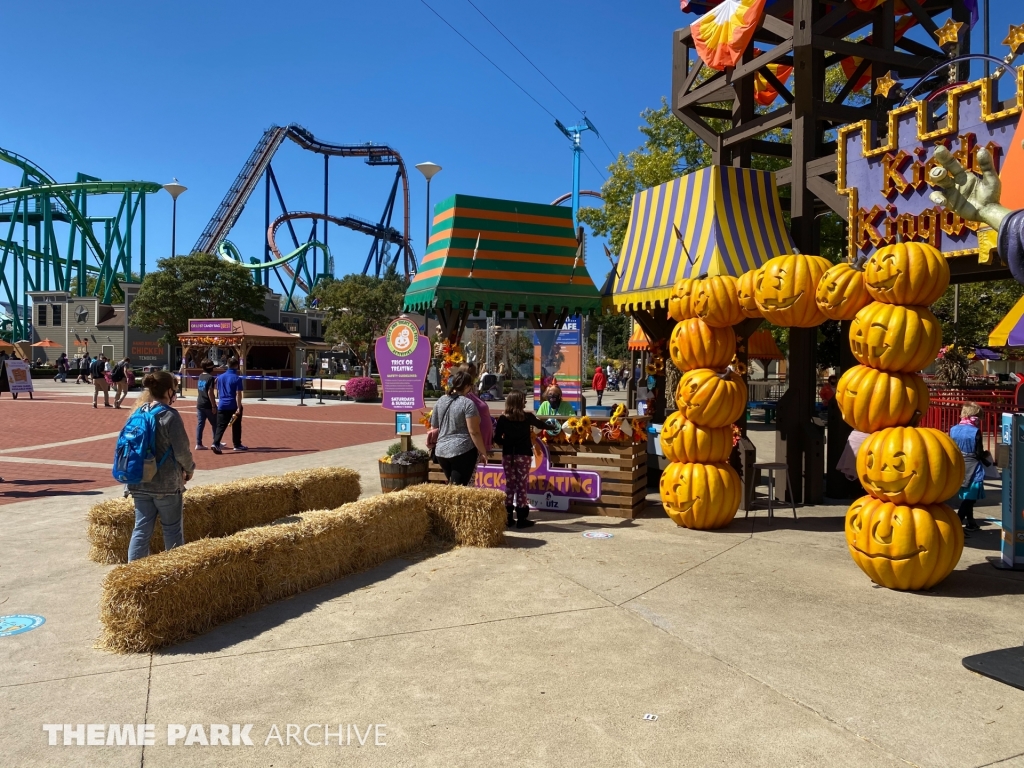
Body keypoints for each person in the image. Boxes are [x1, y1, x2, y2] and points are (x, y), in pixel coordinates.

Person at [125, 370, 195, 562]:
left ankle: (133, 573)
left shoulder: (137, 412)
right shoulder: (169, 416)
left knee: (141, 528)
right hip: (165, 483)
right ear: (168, 391)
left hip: (138, 480)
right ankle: (174, 571)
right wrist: (189, 469)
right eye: (175, 389)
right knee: (172, 530)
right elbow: (182, 451)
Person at [493, 390, 551, 529]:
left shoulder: (503, 419)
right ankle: (521, 517)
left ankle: (507, 517)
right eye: (524, 400)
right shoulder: (527, 417)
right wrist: (553, 426)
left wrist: (507, 442)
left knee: (509, 485)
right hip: (524, 455)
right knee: (521, 485)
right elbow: (541, 425)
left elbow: (496, 438)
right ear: (519, 402)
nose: (526, 402)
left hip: (508, 455)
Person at [430, 370, 488, 486]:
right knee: (459, 490)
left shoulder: (440, 400)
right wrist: (483, 451)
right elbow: (474, 432)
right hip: (462, 451)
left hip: (441, 452)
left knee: (453, 487)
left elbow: (433, 426)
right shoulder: (468, 404)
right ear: (467, 386)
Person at [950, 402, 987, 532]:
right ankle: (957, 522)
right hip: (973, 465)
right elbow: (978, 453)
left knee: (967, 495)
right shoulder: (975, 431)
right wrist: (987, 458)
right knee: (970, 498)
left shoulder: (953, 429)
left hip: (959, 465)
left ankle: (971, 523)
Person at [212, 357, 246, 454]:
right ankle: (237, 444)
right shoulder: (237, 378)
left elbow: (218, 390)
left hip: (222, 404)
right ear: (236, 365)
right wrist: (239, 407)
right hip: (232, 404)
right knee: (236, 425)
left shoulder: (220, 377)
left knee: (220, 426)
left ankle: (215, 442)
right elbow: (238, 394)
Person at [459, 362, 493, 453]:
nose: (475, 375)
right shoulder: (464, 395)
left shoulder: (473, 392)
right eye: (473, 373)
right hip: (475, 440)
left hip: (482, 438)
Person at [195, 360, 218, 450]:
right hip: (207, 404)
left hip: (200, 403)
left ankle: (198, 443)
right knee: (215, 423)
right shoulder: (210, 377)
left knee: (200, 424)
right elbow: (210, 392)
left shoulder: (201, 376)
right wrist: (213, 405)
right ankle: (216, 442)